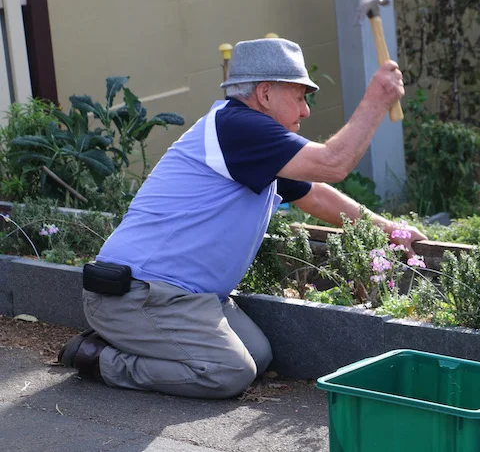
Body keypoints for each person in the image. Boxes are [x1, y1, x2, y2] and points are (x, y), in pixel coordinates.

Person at [57, 38, 426, 399]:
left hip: (189, 297)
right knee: (228, 373)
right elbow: (334, 163)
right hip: (138, 294)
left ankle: (140, 342)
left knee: (258, 356)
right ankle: (100, 358)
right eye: (299, 97)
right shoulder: (238, 128)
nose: (306, 111)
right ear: (265, 94)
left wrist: (389, 230)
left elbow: (314, 195)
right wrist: (377, 99)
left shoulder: (251, 141)